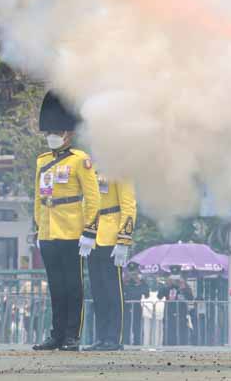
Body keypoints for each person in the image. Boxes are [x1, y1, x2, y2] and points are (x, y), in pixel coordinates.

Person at [32, 91, 101, 351]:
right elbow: (38, 198)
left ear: (68, 134)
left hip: (73, 232)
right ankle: (56, 334)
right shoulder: (42, 161)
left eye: (57, 130)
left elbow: (93, 199)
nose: (52, 135)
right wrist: (39, 229)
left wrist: (89, 231)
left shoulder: (80, 160)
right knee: (56, 287)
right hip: (49, 232)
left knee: (73, 286)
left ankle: (72, 335)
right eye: (49, 130)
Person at [84, 176, 137, 351]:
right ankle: (101, 337)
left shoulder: (119, 170)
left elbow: (128, 206)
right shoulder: (92, 170)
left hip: (111, 236)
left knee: (113, 290)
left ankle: (114, 338)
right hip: (92, 237)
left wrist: (124, 238)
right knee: (98, 291)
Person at [158, 269, 194, 345]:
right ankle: (167, 348)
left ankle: (182, 347)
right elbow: (159, 296)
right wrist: (167, 284)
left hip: (181, 314)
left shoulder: (184, 286)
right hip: (169, 313)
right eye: (173, 278)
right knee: (168, 332)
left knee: (182, 332)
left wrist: (183, 286)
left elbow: (190, 298)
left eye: (177, 278)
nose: (175, 281)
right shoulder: (167, 287)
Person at [123, 266, 149, 345]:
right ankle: (125, 343)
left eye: (134, 274)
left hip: (137, 306)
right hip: (126, 307)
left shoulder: (141, 282)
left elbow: (146, 294)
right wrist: (124, 281)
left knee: (137, 326)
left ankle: (138, 344)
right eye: (131, 273)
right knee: (126, 326)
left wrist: (139, 283)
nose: (132, 276)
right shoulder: (124, 281)